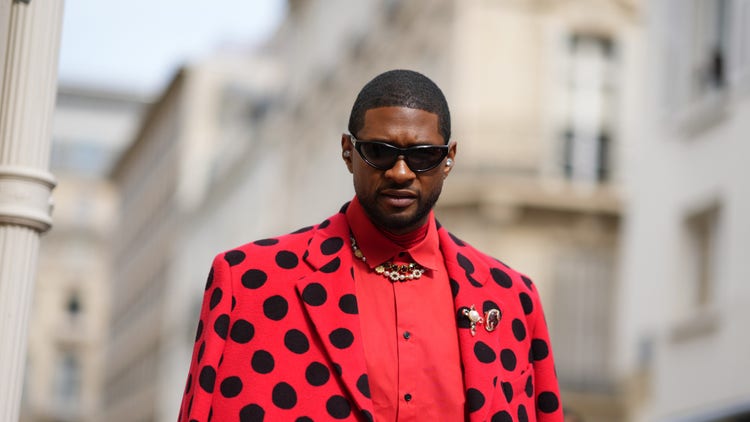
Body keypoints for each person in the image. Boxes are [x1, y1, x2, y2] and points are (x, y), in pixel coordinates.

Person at [178, 69, 562, 422]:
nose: (400, 172)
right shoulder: (251, 280)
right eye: (379, 152)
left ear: (448, 160)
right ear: (348, 151)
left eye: (423, 156)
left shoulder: (510, 298)